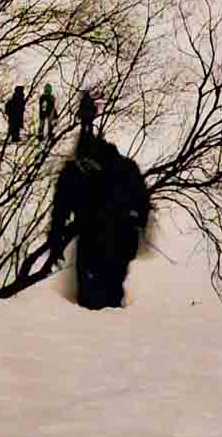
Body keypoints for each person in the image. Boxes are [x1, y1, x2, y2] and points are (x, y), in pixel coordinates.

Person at [49, 129, 153, 310]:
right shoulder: (125, 167)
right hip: (112, 239)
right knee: (107, 292)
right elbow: (142, 205)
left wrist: (56, 238)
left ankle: (100, 325)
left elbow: (60, 210)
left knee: (97, 295)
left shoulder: (79, 170)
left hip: (106, 239)